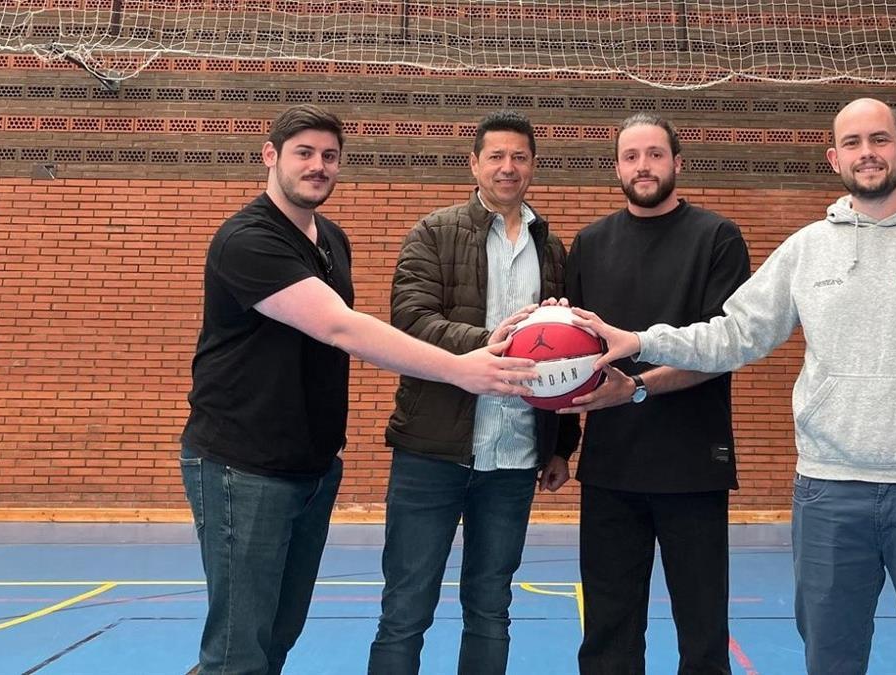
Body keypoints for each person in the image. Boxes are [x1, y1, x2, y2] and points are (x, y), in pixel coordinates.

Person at [577, 98, 896, 675]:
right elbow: (733, 335)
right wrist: (640, 342)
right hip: (830, 492)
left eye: (880, 140)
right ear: (833, 157)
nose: (868, 154)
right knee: (829, 661)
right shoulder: (809, 248)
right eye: (854, 143)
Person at [179, 104, 538, 675]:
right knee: (237, 650)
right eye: (304, 153)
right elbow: (339, 326)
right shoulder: (247, 239)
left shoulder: (331, 239)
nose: (318, 166)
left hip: (311, 466)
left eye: (329, 156)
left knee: (274, 636)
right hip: (241, 465)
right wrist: (459, 367)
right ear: (270, 157)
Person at [367, 110, 580, 675]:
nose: (508, 168)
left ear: (532, 167)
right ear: (474, 164)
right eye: (496, 157)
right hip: (431, 451)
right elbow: (409, 320)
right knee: (405, 609)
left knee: (491, 608)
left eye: (519, 158)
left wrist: (562, 443)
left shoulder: (551, 248)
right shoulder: (433, 232)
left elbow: (568, 357)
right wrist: (493, 340)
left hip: (513, 458)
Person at [561, 113, 751, 674]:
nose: (643, 166)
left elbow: (723, 349)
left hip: (692, 466)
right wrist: (558, 446)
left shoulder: (717, 238)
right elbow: (575, 357)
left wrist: (636, 388)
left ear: (677, 163)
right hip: (611, 468)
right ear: (617, 167)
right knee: (608, 630)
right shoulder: (591, 244)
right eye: (631, 156)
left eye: (654, 155)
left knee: (702, 629)